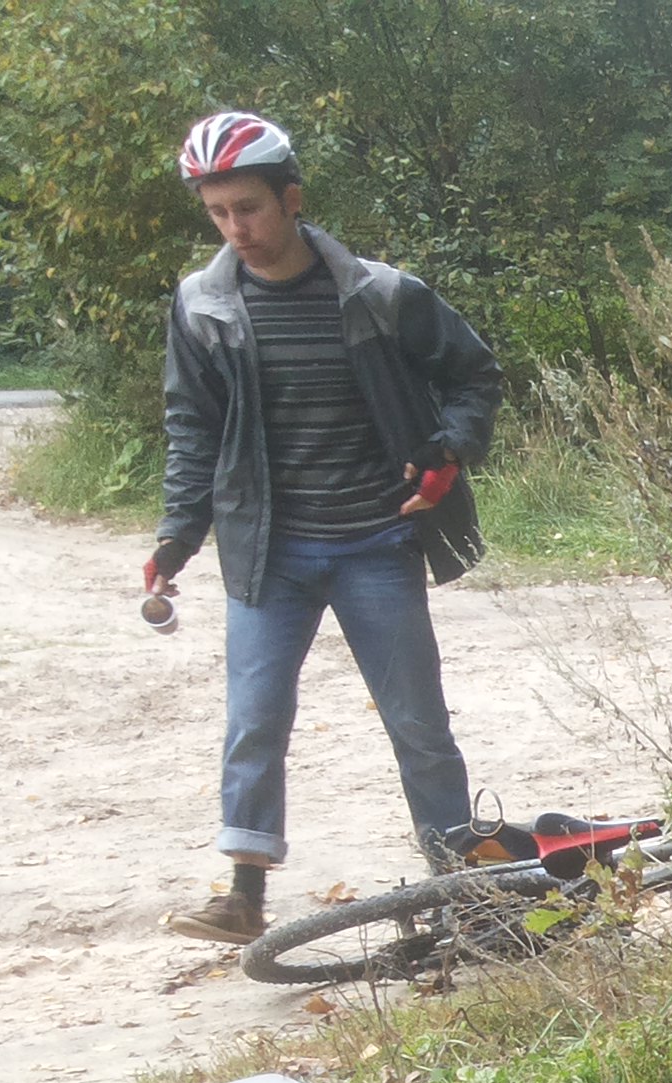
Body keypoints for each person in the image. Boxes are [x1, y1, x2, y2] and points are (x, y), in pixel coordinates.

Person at [145, 111, 502, 946]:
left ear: (291, 198)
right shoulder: (202, 305)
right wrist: (176, 535)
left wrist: (449, 452)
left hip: (376, 543)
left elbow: (475, 376)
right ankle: (243, 898)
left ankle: (462, 889)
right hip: (268, 550)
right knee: (255, 720)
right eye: (218, 212)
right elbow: (192, 427)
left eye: (249, 207)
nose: (236, 228)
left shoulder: (381, 294)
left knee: (418, 723)